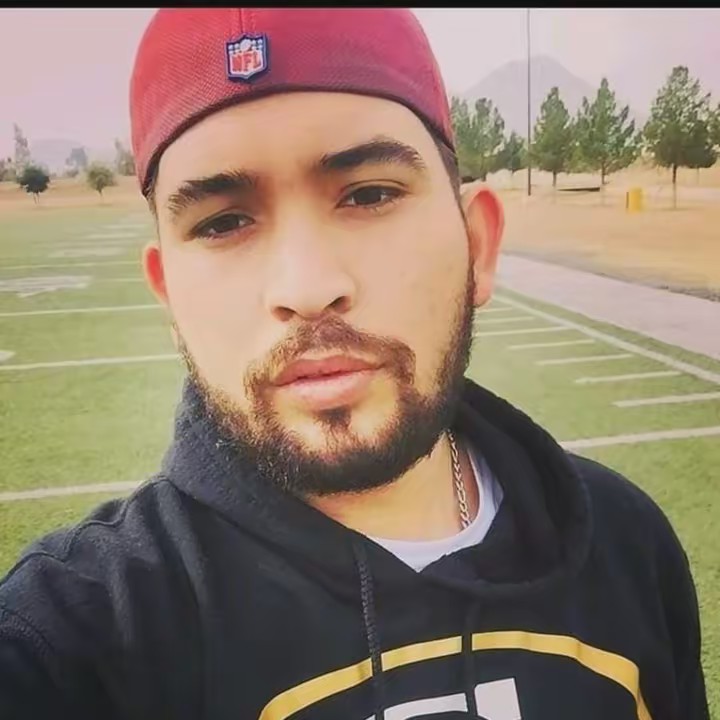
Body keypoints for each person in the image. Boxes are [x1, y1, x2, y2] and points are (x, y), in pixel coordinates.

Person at [0, 8, 709, 720]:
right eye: (223, 222)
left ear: (477, 246)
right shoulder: (72, 641)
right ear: (169, 297)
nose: (307, 287)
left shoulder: (625, 543)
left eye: (370, 194)